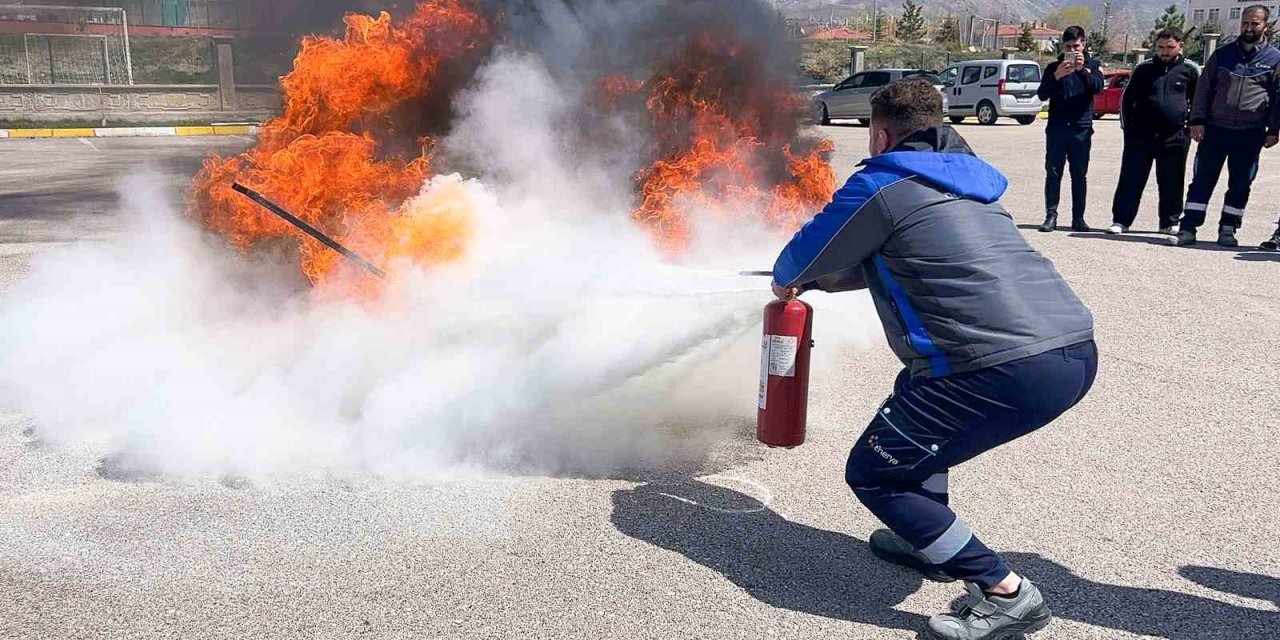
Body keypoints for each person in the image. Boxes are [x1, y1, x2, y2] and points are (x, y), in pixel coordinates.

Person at [770, 79, 1097, 640]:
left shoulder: (881, 183)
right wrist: (827, 279)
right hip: (1072, 349)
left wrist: (791, 283)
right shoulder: (968, 182)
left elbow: (800, 259)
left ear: (879, 133)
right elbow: (904, 258)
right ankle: (926, 538)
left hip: (998, 367)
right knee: (914, 397)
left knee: (875, 473)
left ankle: (1005, 593)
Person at [1172, 5, 1280, 248]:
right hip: (1215, 129)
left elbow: (1277, 96)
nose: (1249, 28)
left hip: (1250, 132)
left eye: (1255, 24)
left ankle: (1228, 228)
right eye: (1246, 23)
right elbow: (1203, 89)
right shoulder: (1222, 54)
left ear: (1265, 25)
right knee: (1202, 180)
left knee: (1241, 183)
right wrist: (1197, 121)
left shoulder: (1275, 59)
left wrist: (1274, 129)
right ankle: (1188, 227)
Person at [1108, 28, 1199, 235]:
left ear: (1180, 46)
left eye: (1170, 47)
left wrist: (1189, 127)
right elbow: (1126, 100)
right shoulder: (1143, 69)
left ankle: (1169, 221)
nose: (1165, 52)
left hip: (1175, 137)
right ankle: (1121, 220)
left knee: (1172, 180)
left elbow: (1198, 102)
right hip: (1140, 135)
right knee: (1131, 178)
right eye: (1161, 47)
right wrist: (1127, 129)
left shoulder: (1190, 70)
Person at [1036, 26, 1105, 233]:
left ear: (1084, 44)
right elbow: (1041, 95)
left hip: (1081, 129)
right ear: (1062, 46)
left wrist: (1083, 71)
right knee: (1053, 172)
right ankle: (1051, 215)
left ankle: (1078, 218)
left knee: (1079, 175)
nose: (1073, 50)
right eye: (1068, 46)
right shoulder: (1053, 68)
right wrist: (1056, 76)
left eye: (1076, 46)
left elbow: (1098, 88)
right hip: (1057, 128)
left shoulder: (1094, 65)